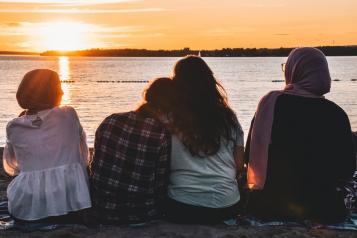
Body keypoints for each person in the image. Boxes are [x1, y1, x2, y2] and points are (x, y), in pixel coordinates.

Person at [244, 47, 356, 223]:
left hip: (268, 205)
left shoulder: (270, 104)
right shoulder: (336, 114)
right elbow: (346, 169)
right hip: (321, 208)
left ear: (293, 70)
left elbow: (248, 155)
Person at [163, 55, 245, 224]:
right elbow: (238, 165)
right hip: (226, 205)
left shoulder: (169, 118)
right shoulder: (229, 118)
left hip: (182, 205)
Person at [3, 69, 91, 222]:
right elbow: (83, 153)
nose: (63, 92)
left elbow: (13, 164)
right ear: (49, 93)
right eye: (58, 87)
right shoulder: (68, 114)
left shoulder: (13, 126)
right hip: (72, 199)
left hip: (29, 201)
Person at [90, 78, 172, 224]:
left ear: (147, 95)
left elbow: (96, 165)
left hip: (101, 207)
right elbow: (160, 182)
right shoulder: (161, 133)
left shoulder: (111, 120)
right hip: (140, 212)